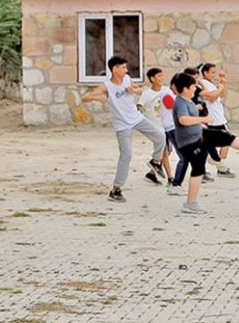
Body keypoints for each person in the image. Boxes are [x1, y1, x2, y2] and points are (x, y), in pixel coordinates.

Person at [81, 55, 166, 202]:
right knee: (126, 156)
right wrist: (97, 98)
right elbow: (85, 98)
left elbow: (138, 90)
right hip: (122, 124)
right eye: (123, 67)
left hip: (137, 118)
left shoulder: (127, 79)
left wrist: (133, 89)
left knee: (160, 136)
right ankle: (115, 190)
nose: (126, 70)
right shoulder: (106, 86)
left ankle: (155, 162)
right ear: (115, 69)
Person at [170, 71, 213, 214]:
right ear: (186, 88)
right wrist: (203, 120)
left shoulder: (187, 101)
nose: (195, 88)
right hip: (187, 140)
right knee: (190, 163)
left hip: (194, 137)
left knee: (198, 165)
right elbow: (183, 119)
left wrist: (200, 124)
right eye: (193, 85)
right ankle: (181, 191)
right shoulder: (181, 102)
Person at [137, 67, 174, 184]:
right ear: (152, 78)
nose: (162, 78)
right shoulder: (147, 94)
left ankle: (151, 174)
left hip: (167, 126)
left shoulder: (166, 90)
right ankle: (171, 179)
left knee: (168, 152)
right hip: (156, 128)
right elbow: (138, 107)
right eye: (159, 76)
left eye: (162, 75)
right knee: (165, 153)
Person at [199, 63, 235, 178]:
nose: (214, 75)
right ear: (205, 73)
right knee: (227, 141)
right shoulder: (204, 83)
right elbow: (212, 97)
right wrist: (220, 87)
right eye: (212, 72)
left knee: (210, 145)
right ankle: (220, 166)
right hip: (214, 120)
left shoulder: (210, 84)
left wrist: (223, 82)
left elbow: (222, 94)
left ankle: (216, 165)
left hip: (219, 118)